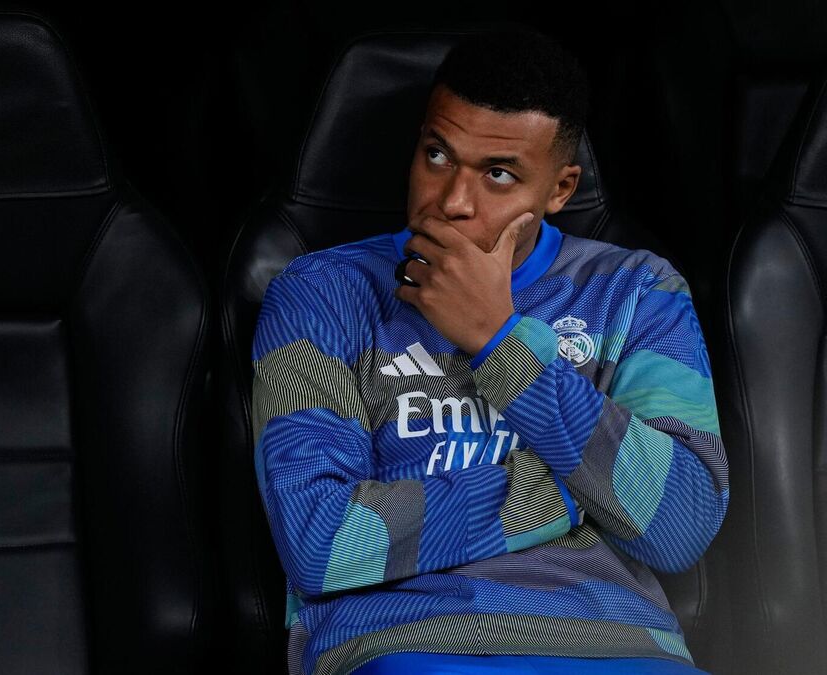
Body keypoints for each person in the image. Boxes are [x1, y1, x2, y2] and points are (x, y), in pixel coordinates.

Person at [250, 28, 729, 675]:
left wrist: (498, 339)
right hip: (407, 646)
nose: (452, 201)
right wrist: (587, 486)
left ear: (560, 189)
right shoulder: (321, 292)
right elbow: (321, 542)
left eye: (498, 174)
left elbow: (682, 523)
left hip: (617, 646)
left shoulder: (638, 291)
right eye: (437, 155)